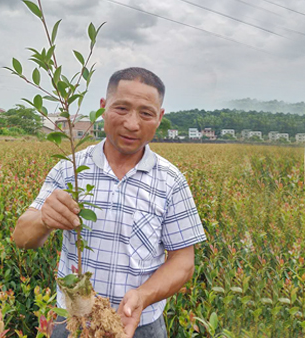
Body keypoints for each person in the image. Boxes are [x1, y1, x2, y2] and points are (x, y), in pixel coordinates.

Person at [13, 67, 206, 338]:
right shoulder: (69, 169)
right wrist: (45, 218)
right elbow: (22, 237)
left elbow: (183, 260)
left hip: (140, 325)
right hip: (72, 323)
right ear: (103, 107)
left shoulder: (171, 181)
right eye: (122, 108)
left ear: (159, 117)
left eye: (146, 113)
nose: (132, 124)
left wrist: (143, 296)